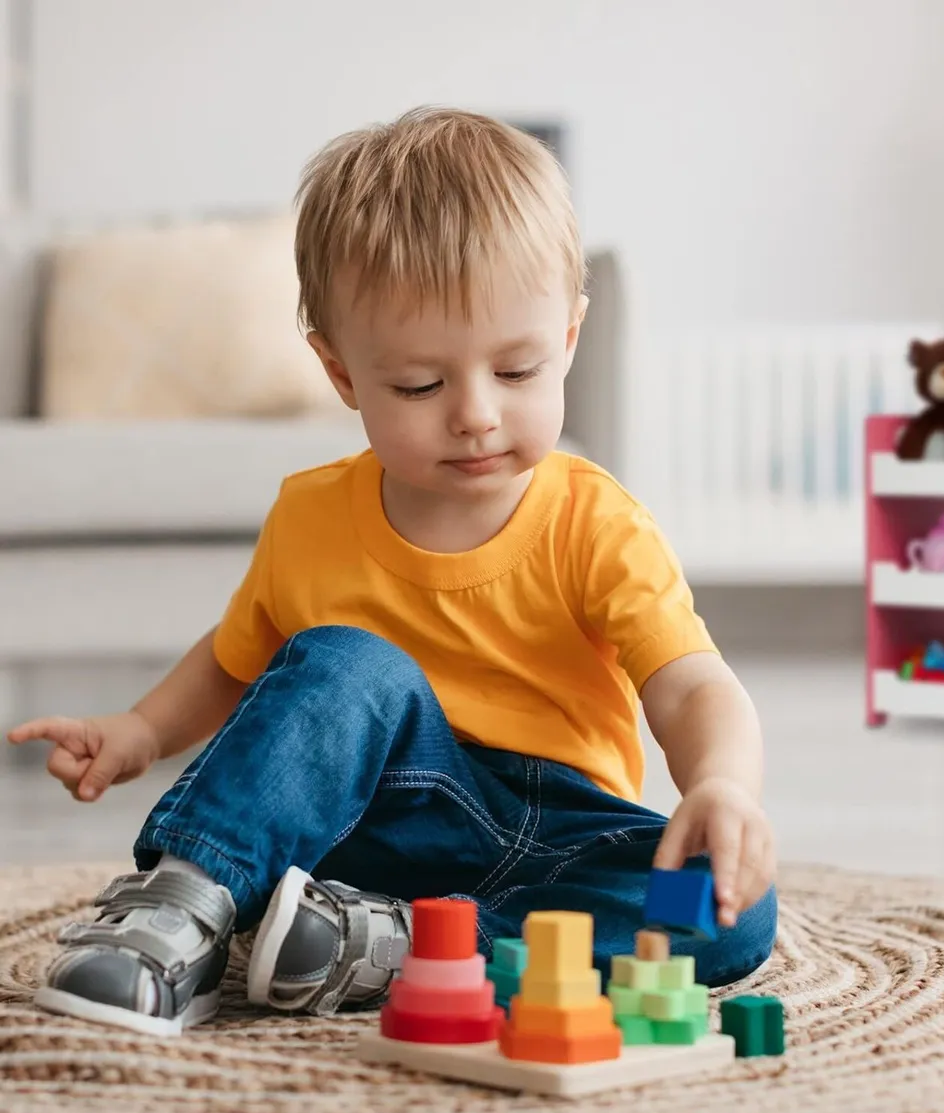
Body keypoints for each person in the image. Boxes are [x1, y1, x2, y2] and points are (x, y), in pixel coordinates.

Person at [7, 107, 777, 1037]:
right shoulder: (311, 514)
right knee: (344, 661)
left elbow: (690, 682)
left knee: (737, 916)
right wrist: (138, 727)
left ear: (569, 338)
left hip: (554, 835)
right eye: (421, 385)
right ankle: (181, 909)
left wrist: (722, 785)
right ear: (341, 375)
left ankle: (402, 948)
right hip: (367, 827)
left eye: (520, 370)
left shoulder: (594, 519)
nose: (476, 414)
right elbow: (235, 657)